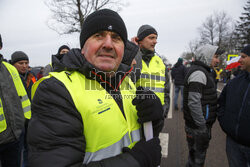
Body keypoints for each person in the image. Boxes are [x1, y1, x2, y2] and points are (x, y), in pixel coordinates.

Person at [28, 9, 163, 167]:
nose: (108, 44)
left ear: (123, 48)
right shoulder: (56, 90)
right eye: (98, 35)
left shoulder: (126, 81)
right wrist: (136, 161)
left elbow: (135, 133)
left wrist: (155, 120)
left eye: (116, 38)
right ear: (83, 47)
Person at [183, 44, 224, 167]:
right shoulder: (199, 73)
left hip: (198, 125)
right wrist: (202, 126)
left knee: (195, 158)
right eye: (215, 57)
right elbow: (193, 102)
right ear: (207, 56)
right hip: (198, 127)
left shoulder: (203, 71)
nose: (218, 60)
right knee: (197, 160)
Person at [217, 44, 250, 167]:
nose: (239, 60)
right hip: (233, 144)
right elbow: (222, 103)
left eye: (243, 56)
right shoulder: (235, 82)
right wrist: (225, 123)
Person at [0, 54, 31, 167]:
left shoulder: (10, 69)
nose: (24, 66)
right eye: (21, 63)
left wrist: (25, 121)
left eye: (26, 63)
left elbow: (23, 97)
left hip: (15, 134)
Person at [133, 24, 170, 117]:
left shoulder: (160, 61)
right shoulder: (133, 60)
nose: (155, 41)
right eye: (151, 38)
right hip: (137, 113)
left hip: (158, 113)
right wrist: (134, 50)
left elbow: (166, 89)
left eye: (156, 38)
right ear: (139, 40)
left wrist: (164, 110)